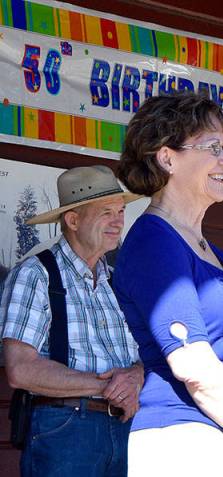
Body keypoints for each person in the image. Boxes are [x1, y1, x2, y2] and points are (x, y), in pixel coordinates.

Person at [113, 92, 223, 476]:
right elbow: (192, 364)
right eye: (213, 147)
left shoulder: (211, 251)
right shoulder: (154, 241)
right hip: (189, 443)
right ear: (168, 157)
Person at [1, 165, 143, 476]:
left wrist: (135, 377)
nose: (118, 221)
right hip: (66, 430)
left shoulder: (116, 283)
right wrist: (106, 387)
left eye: (120, 211)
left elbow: (142, 357)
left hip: (126, 429)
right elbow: (20, 369)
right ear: (74, 220)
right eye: (106, 211)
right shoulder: (36, 275)